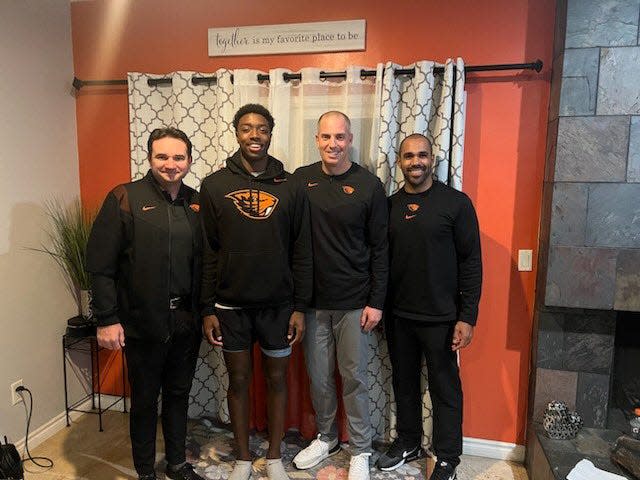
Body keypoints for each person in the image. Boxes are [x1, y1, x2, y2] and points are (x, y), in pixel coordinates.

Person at [199, 104, 312, 480]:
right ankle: (244, 458)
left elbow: (302, 248)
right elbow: (208, 250)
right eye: (247, 128)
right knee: (239, 382)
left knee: (278, 381)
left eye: (261, 129)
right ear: (236, 133)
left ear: (270, 133)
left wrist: (299, 307)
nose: (254, 135)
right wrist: (207, 308)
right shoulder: (214, 185)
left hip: (279, 306)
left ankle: (276, 455)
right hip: (230, 305)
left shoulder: (292, 185)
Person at [87, 127, 205, 480]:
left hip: (186, 319)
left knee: (179, 394)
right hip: (142, 321)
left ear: (188, 160)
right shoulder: (124, 197)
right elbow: (100, 264)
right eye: (162, 157)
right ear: (150, 158)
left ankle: (177, 464)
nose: (171, 164)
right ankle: (145, 472)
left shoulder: (196, 202)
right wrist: (106, 318)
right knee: (143, 401)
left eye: (178, 157)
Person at [377, 134, 482, 480]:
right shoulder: (389, 206)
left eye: (421, 155)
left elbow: (471, 263)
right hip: (398, 316)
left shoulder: (456, 204)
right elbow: (379, 261)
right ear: (400, 162)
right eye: (408, 156)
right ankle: (408, 441)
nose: (415, 162)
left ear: (432, 159)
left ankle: (448, 456)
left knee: (445, 389)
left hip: (441, 318)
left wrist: (467, 317)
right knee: (403, 383)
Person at [292, 111, 388, 480]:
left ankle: (360, 448)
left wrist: (376, 301)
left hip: (355, 303)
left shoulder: (368, 184)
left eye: (340, 137)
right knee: (318, 377)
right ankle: (327, 437)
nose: (333, 144)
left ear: (350, 140)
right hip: (313, 303)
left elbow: (381, 248)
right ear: (317, 139)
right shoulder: (301, 180)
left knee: (354, 378)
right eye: (326, 137)